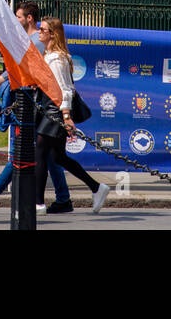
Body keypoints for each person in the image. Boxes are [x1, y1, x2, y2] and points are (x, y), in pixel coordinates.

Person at [0, 1, 74, 213]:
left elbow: (23, 73)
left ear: (29, 18)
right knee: (49, 155)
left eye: (18, 17)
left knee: (21, 153)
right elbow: (12, 72)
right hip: (33, 105)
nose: (16, 21)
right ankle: (63, 198)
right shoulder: (29, 40)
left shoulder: (37, 42)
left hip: (35, 106)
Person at [34, 18, 109, 213]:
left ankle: (38, 203)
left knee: (41, 153)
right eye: (39, 29)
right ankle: (97, 187)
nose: (39, 31)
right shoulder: (49, 55)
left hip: (55, 109)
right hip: (51, 107)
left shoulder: (57, 59)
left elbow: (65, 89)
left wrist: (66, 116)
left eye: (43, 29)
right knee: (58, 156)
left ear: (52, 34)